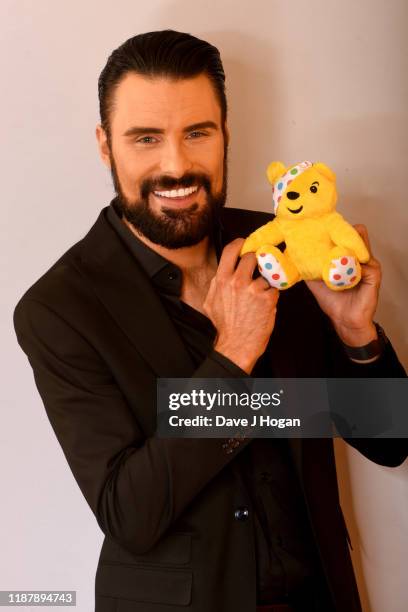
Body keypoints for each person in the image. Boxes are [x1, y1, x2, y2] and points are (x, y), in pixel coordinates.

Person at [13, 30, 406, 612]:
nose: (176, 165)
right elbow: (131, 512)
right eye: (146, 138)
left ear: (225, 133)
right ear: (105, 145)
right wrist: (232, 358)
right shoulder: (60, 309)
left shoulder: (278, 250)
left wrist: (356, 336)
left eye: (197, 133)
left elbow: (391, 442)